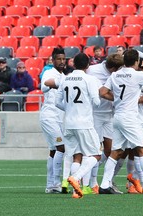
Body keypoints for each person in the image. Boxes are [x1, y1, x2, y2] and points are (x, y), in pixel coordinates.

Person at [99, 49, 143, 194]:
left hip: (118, 117)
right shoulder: (137, 75)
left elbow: (102, 92)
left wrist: (118, 99)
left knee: (116, 152)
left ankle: (104, 185)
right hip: (130, 118)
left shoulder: (115, 75)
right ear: (137, 61)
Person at [55, 53, 102, 199]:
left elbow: (57, 102)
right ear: (88, 65)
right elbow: (97, 102)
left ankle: (76, 191)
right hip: (84, 123)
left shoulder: (65, 79)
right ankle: (76, 178)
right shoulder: (90, 79)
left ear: (73, 64)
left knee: (76, 156)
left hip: (68, 123)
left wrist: (70, 109)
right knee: (95, 154)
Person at [85, 54, 125, 194]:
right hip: (94, 114)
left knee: (111, 151)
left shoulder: (118, 73)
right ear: (113, 68)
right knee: (94, 150)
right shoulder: (92, 70)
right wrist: (122, 98)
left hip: (109, 115)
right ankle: (91, 182)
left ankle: (107, 181)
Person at [39, 47, 71, 194]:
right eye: (59, 59)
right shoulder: (49, 73)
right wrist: (59, 83)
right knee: (61, 147)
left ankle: (50, 185)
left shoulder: (64, 76)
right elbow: (45, 85)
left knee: (54, 150)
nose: (62, 61)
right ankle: (57, 184)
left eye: (64, 59)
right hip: (49, 116)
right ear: (53, 60)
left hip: (60, 118)